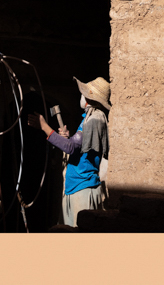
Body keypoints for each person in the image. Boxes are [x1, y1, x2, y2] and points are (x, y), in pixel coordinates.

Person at [30, 76, 110, 227]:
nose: (81, 96)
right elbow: (76, 146)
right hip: (76, 186)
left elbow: (70, 148)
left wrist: (44, 126)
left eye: (84, 94)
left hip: (83, 187)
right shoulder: (89, 117)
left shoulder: (95, 119)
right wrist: (67, 139)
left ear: (89, 98)